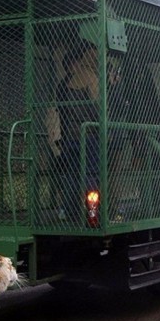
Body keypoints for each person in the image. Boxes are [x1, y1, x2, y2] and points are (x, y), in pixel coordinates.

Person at [49, 43, 100, 223]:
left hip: (69, 135)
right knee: (91, 174)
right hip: (89, 135)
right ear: (76, 63)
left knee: (72, 174)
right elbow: (97, 108)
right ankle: (92, 215)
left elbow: (60, 111)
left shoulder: (64, 84)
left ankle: (70, 213)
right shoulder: (90, 79)